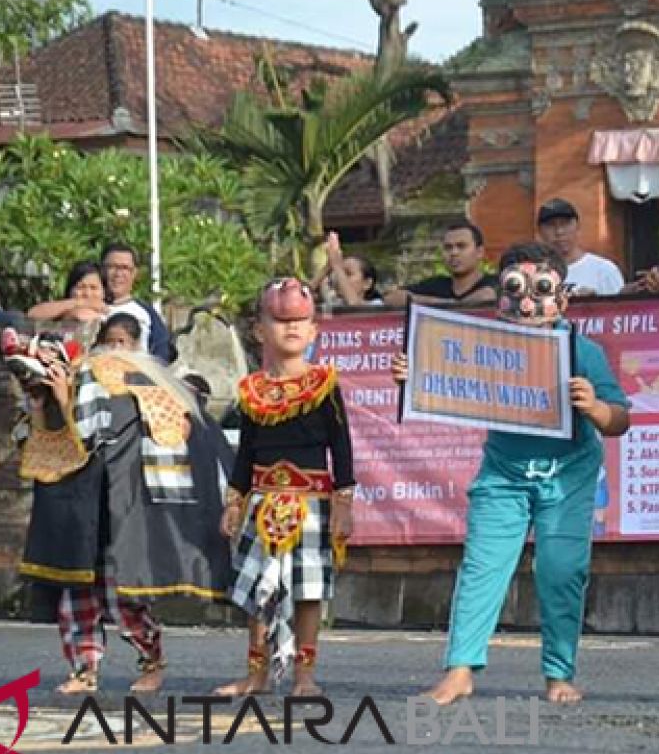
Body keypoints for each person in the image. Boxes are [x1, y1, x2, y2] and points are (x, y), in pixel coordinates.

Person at [394, 242, 631, 706]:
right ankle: (460, 669)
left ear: (563, 298)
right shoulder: (483, 347)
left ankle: (559, 674)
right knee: (483, 567)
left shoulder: (582, 350)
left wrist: (596, 408)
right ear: (497, 297)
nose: (527, 303)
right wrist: (412, 377)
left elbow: (620, 419)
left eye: (541, 290)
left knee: (562, 572)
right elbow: (438, 380)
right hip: (503, 473)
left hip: (569, 477)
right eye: (514, 290)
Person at [8, 313, 232, 694]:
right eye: (109, 342)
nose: (115, 350)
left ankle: (152, 662)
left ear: (139, 347)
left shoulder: (151, 390)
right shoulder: (83, 375)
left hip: (122, 508)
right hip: (76, 505)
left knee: (123, 592)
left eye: (123, 343)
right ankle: (84, 670)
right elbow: (31, 438)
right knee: (75, 589)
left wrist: (65, 400)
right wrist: (49, 397)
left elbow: (91, 433)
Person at [216, 278, 355, 698]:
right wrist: (234, 501)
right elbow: (246, 454)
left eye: (301, 321)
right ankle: (256, 675)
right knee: (260, 590)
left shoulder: (325, 384)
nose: (292, 328)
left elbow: (341, 446)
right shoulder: (252, 391)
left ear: (313, 329)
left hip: (312, 501)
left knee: (308, 591)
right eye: (281, 320)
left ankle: (304, 676)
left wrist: (344, 503)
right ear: (260, 331)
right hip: (262, 501)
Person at [384, 222, 498, 307]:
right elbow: (391, 298)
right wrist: (448, 304)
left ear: (479, 252)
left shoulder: (494, 282)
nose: (454, 253)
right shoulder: (436, 284)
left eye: (461, 246)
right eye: (448, 248)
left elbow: (487, 296)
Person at [536, 198, 625, 296]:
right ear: (540, 232)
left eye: (565, 224)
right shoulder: (532, 274)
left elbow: (619, 309)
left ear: (577, 226)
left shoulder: (604, 270)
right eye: (551, 225)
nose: (559, 232)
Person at [101, 242, 172, 361]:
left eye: (124, 268)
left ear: (134, 273)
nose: (118, 274)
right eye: (112, 267)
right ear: (101, 270)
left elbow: (162, 357)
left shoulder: (147, 314)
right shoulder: (85, 311)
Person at [310, 231, 385, 308]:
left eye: (348, 274)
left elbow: (355, 306)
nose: (339, 278)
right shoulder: (333, 304)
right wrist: (327, 267)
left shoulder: (376, 305)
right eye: (340, 273)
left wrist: (337, 267)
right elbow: (301, 297)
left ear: (367, 284)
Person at [27, 261, 111, 325]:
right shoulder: (60, 309)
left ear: (104, 291)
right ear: (70, 289)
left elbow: (83, 317)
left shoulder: (113, 313)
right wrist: (79, 302)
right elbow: (32, 314)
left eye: (93, 288)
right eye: (80, 287)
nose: (87, 293)